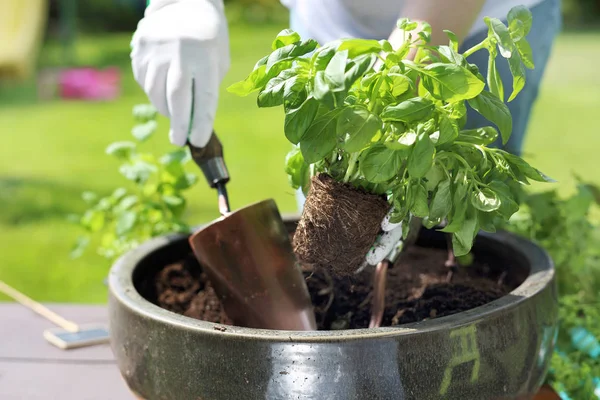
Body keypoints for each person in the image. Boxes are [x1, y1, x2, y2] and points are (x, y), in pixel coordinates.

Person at [130, 0, 562, 265]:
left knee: (464, 237)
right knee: (331, 235)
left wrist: (405, 73)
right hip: (329, 11)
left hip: (474, 22)